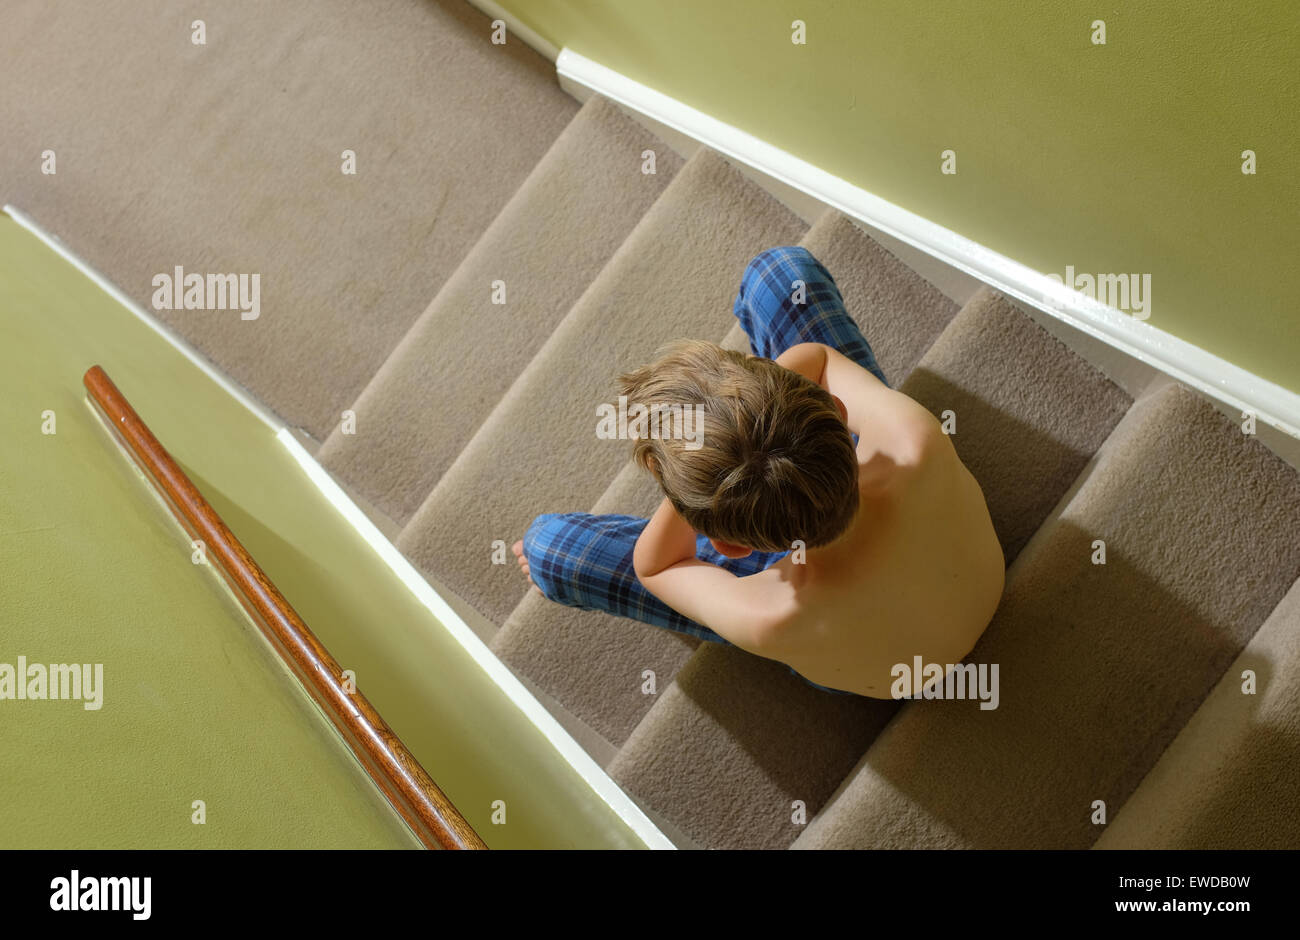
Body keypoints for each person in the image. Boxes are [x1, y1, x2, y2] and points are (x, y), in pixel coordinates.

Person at [513, 246, 1004, 698]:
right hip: (979, 582)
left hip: (888, 669)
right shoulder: (914, 442)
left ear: (729, 544)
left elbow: (658, 565)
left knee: (547, 549)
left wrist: (700, 489)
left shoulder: (771, 614)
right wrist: (749, 425)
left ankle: (546, 559)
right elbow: (817, 360)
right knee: (780, 272)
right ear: (834, 410)